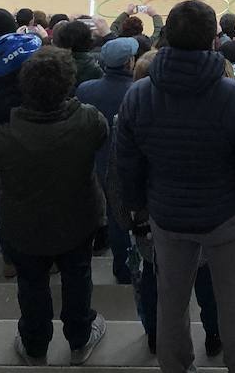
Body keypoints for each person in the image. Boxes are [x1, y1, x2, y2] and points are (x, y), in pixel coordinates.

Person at [115, 0, 235, 373]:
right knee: (233, 304)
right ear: (214, 42)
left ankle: (175, 368)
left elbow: (127, 164)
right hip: (227, 218)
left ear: (167, 37)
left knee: (170, 302)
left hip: (167, 216)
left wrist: (142, 208)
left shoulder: (138, 95)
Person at [0, 47, 109, 365]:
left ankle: (34, 345)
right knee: (77, 277)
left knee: (31, 284)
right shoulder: (88, 119)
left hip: (24, 225)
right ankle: (80, 338)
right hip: (77, 219)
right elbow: (100, 135)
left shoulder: (4, 135)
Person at [76, 36, 140, 285]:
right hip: (128, 163)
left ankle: (121, 266)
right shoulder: (139, 90)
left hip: (96, 162)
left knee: (113, 216)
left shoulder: (86, 89)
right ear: (129, 63)